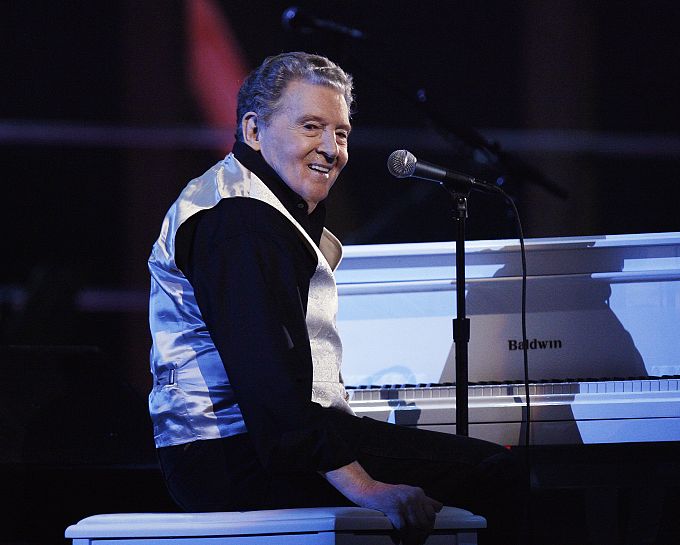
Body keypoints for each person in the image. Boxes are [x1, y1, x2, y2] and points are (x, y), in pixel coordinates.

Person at [147, 52, 528, 545]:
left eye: (342, 133)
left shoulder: (252, 204)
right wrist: (366, 488)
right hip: (231, 456)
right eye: (311, 127)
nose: (332, 149)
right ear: (254, 131)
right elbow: (270, 386)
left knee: (472, 467)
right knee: (495, 472)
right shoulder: (239, 225)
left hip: (258, 445)